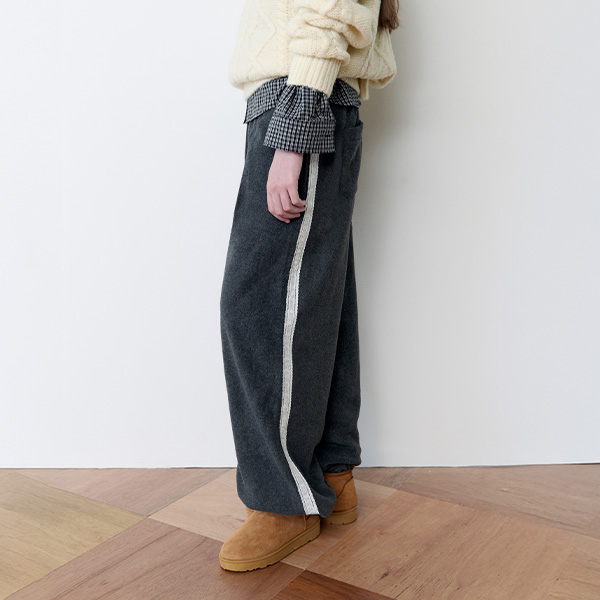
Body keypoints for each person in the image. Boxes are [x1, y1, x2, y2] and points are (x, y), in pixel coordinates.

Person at [219, 0, 400, 572]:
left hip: (301, 105)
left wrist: (293, 134)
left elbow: (329, 13)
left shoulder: (299, 111)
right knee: (316, 299)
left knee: (260, 309)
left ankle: (285, 502)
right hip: (304, 101)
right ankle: (330, 472)